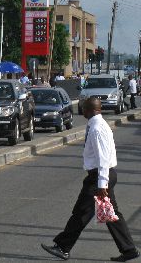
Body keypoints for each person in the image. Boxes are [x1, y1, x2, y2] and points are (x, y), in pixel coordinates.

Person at [41, 98, 138, 262]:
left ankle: (63, 247)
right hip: (103, 176)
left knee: (81, 212)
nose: (81, 110)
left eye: (83, 108)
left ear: (90, 110)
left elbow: (103, 159)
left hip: (99, 177)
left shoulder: (97, 129)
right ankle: (129, 250)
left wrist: (101, 184)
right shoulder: (97, 124)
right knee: (111, 214)